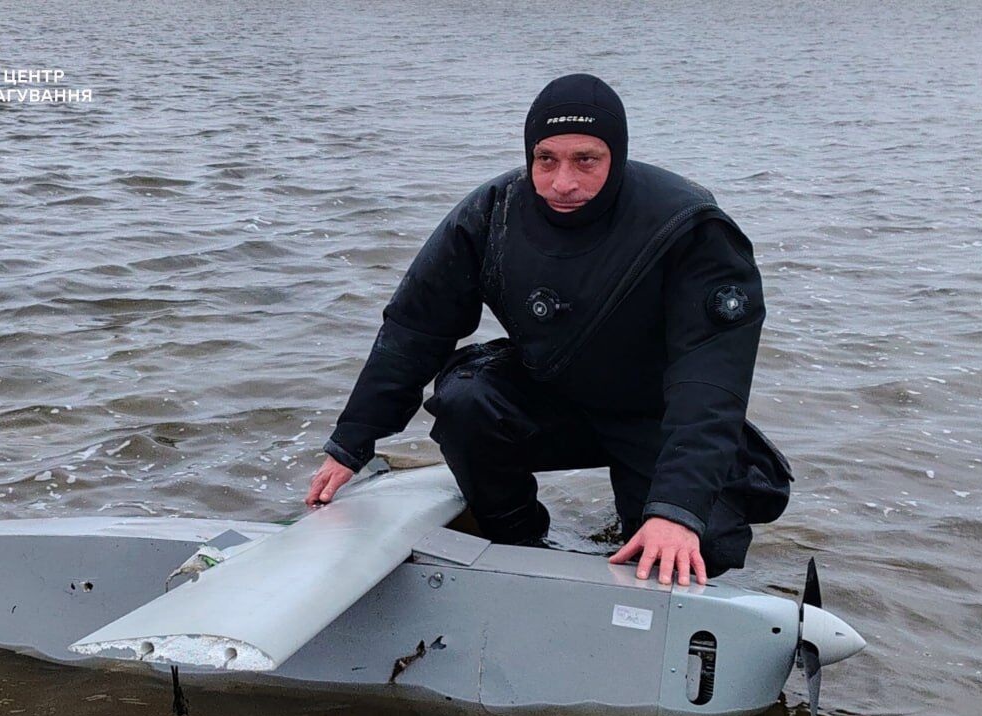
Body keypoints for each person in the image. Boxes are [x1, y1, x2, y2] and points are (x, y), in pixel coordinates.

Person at [304, 73, 793, 587]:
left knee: (701, 546)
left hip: (656, 413)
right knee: (466, 399)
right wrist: (351, 444)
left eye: (586, 160)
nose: (563, 182)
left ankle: (656, 515)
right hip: (551, 397)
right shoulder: (492, 213)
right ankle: (517, 541)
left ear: (617, 157)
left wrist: (676, 511)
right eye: (546, 160)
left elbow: (710, 382)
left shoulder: (688, 227)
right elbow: (413, 329)